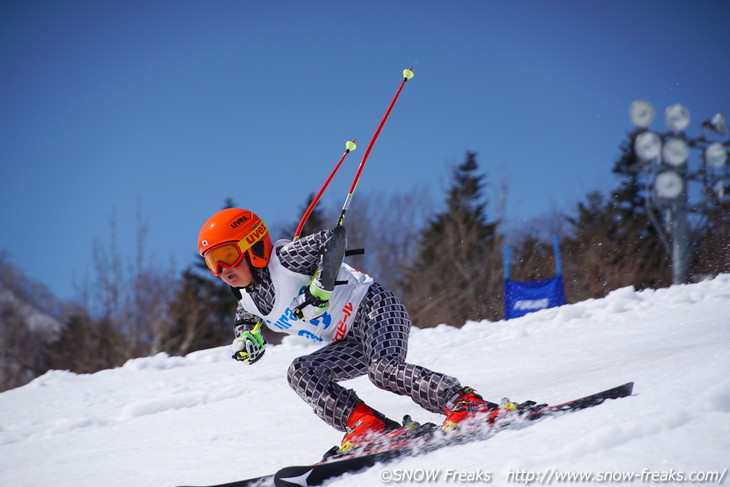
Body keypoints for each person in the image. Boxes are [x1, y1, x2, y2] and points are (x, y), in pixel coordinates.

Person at [197, 208, 530, 453]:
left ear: (253, 245)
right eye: (212, 263)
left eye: (226, 255)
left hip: (374, 308)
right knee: (301, 370)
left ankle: (466, 404)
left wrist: (321, 288)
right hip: (347, 340)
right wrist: (247, 338)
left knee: (382, 370)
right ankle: (368, 427)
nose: (222, 270)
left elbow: (333, 239)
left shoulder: (286, 259)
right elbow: (246, 320)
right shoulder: (248, 299)